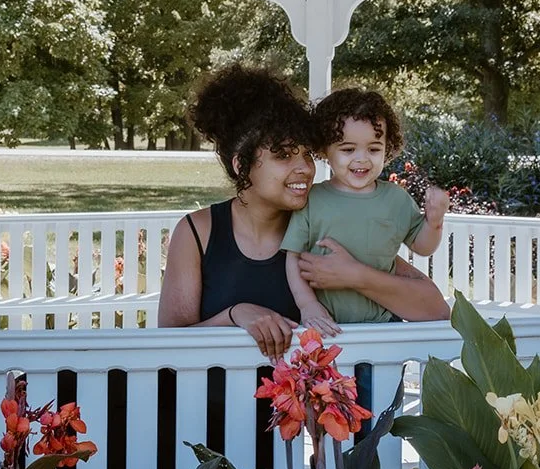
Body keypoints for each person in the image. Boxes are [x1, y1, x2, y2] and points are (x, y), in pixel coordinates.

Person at [158, 65, 449, 361]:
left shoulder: (321, 221)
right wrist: (236, 315)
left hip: (316, 405)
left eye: (306, 154)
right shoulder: (198, 233)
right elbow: (168, 344)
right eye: (284, 155)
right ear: (241, 165)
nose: (305, 168)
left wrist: (355, 275)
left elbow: (436, 309)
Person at [283, 87, 450, 327]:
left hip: (383, 326)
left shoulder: (396, 199)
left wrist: (434, 222)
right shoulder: (313, 199)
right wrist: (308, 305)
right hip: (327, 326)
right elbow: (294, 258)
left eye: (373, 149)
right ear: (323, 151)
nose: (362, 159)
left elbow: (422, 246)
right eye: (348, 149)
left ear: (387, 147)